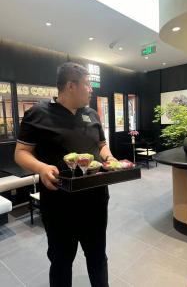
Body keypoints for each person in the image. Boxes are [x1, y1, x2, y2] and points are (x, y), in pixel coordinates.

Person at [15, 62, 117, 287]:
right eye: (87, 85)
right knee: (61, 261)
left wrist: (108, 157)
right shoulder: (37, 114)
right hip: (59, 204)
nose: (91, 89)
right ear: (71, 86)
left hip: (96, 200)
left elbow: (102, 145)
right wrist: (41, 168)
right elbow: (21, 153)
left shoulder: (92, 114)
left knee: (98, 257)